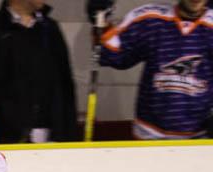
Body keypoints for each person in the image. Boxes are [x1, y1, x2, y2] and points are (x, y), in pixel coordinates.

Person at [91, 0, 213, 139]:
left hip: (198, 136)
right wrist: (100, 20)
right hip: (150, 134)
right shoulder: (150, 18)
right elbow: (111, 56)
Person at [0, 0, 78, 143]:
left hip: (52, 138)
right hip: (6, 142)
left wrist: (68, 136)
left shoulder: (50, 29)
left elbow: (66, 87)